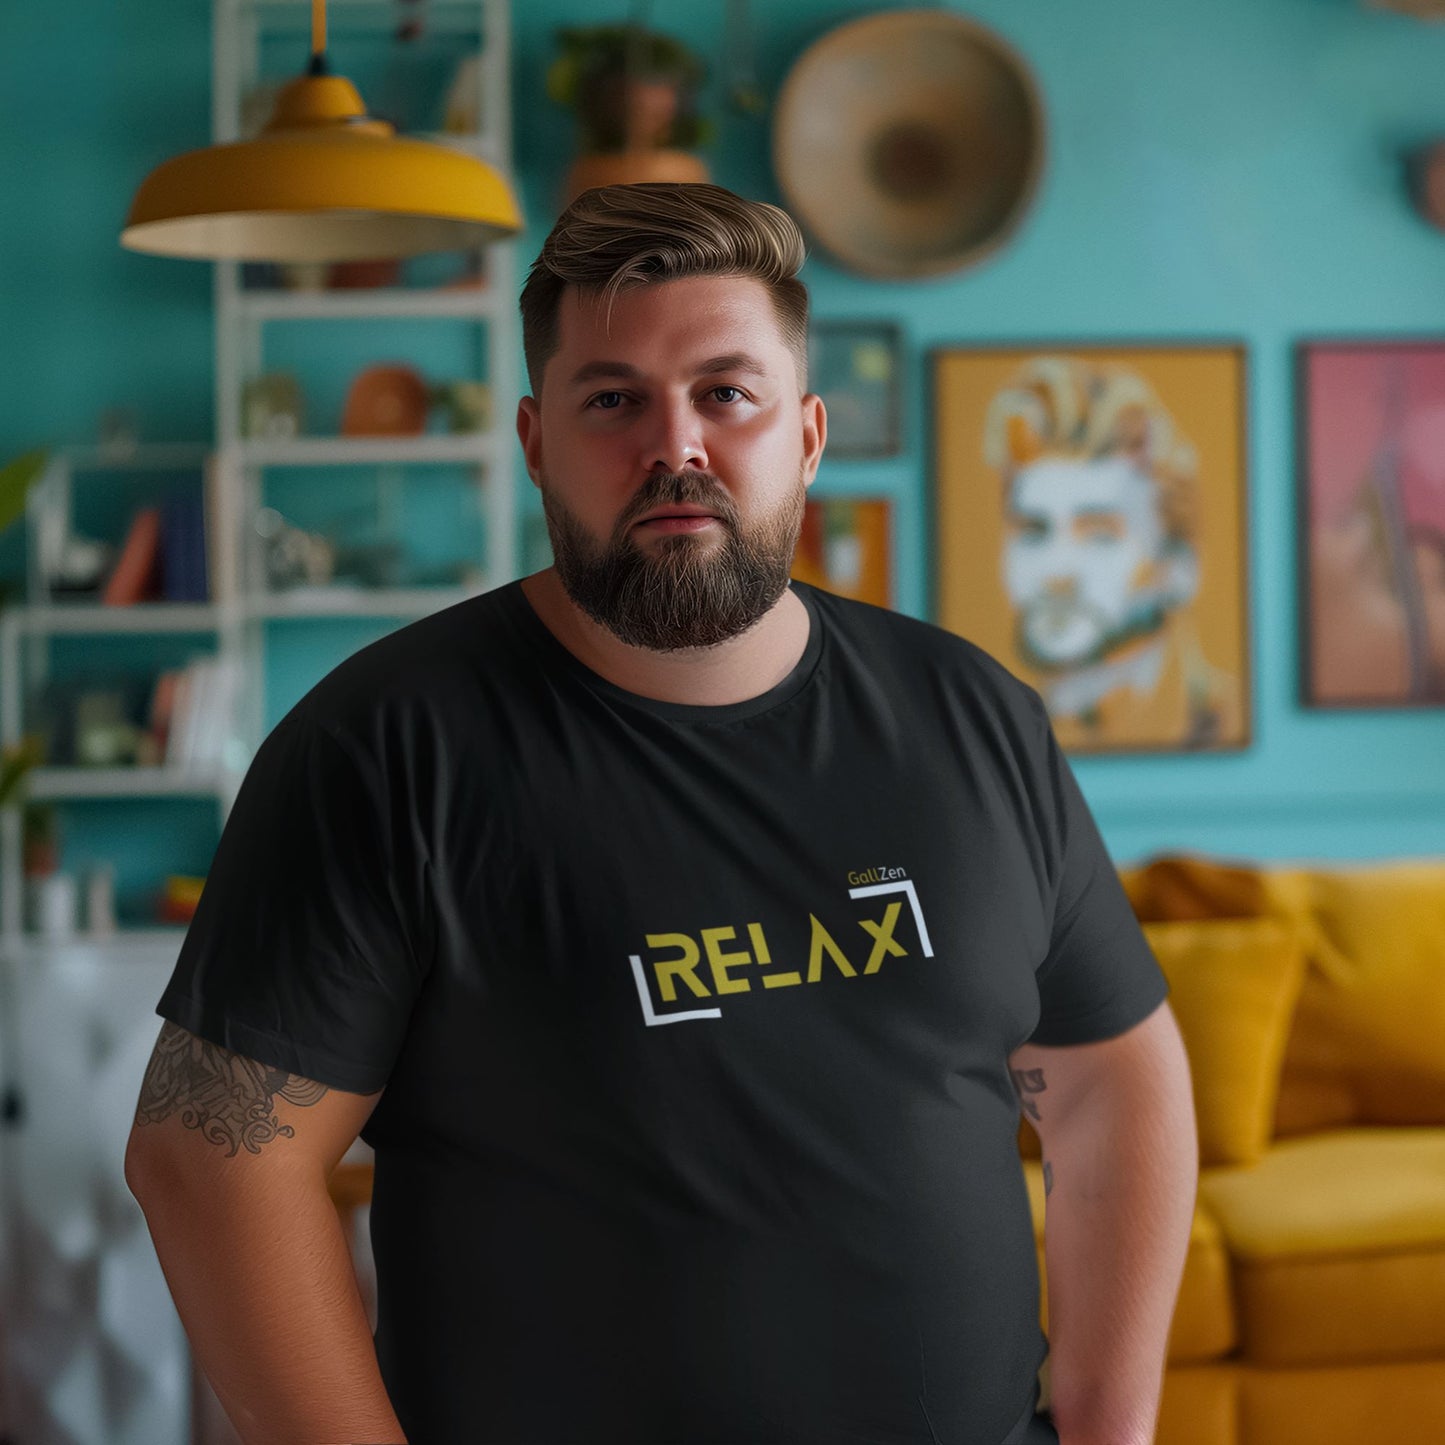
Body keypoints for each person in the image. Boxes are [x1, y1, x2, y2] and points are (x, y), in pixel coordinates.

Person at [124, 183, 1198, 1445]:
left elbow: (1107, 1079)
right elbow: (209, 1158)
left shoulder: (971, 715)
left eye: (724, 393)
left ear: (804, 433)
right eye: (613, 398)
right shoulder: (382, 747)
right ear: (534, 439)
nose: (673, 444)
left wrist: (1109, 1423)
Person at [983, 356, 1241, 750]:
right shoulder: (997, 732)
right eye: (1034, 531)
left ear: (1176, 566)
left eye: (1100, 536)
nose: (1057, 571)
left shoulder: (1216, 717)